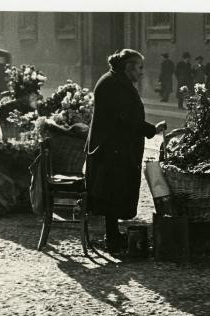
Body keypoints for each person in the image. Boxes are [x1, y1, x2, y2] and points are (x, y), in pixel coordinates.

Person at [84, 49, 166, 253]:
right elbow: (125, 117)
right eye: (139, 68)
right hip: (112, 149)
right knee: (112, 191)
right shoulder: (113, 83)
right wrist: (151, 130)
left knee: (113, 191)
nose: (141, 73)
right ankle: (112, 238)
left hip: (114, 147)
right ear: (129, 67)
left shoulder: (115, 80)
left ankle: (113, 235)